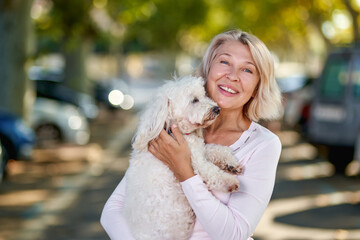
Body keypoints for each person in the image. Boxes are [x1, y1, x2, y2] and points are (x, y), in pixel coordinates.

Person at [100, 29, 283, 240]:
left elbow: (233, 234)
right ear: (208, 68)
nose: (232, 76)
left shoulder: (264, 144)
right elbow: (113, 210)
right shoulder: (175, 125)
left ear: (257, 87)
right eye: (224, 62)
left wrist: (184, 170)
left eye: (247, 70)